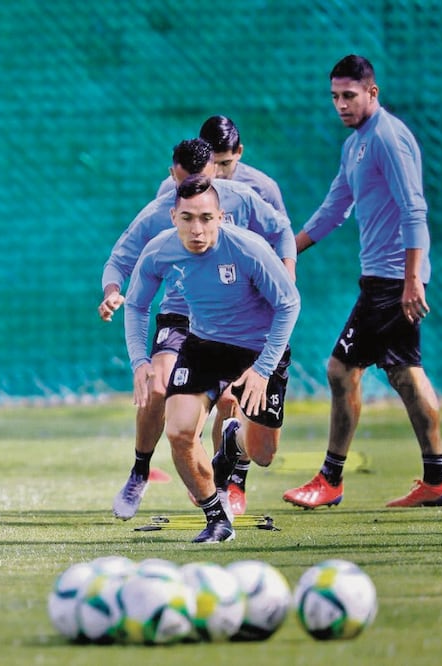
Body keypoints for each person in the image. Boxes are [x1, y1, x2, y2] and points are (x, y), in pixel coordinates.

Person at [283, 54, 442, 510]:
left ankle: (331, 479)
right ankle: (436, 479)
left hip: (394, 279)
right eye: (335, 97)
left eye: (349, 95)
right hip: (382, 279)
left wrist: (412, 278)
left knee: (342, 370)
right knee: (402, 372)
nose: (341, 104)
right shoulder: (355, 144)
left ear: (372, 92)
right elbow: (335, 208)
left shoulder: (387, 137)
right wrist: (287, 252)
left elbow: (414, 208)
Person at [102, 139, 295, 521]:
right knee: (159, 389)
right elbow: (121, 262)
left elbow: (283, 233)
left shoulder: (243, 204)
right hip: (184, 316)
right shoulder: (161, 216)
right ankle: (144, 471)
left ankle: (229, 464)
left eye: (205, 216)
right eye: (187, 215)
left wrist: (286, 271)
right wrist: (113, 295)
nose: (197, 226)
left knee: (251, 434)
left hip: (243, 323)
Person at [156, 115, 288, 216]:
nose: (217, 172)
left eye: (225, 163)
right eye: (212, 163)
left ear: (239, 152)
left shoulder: (262, 189)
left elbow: (280, 234)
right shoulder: (174, 187)